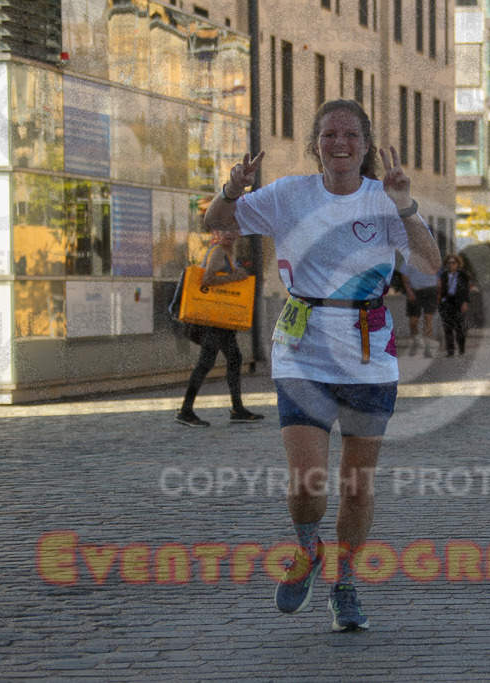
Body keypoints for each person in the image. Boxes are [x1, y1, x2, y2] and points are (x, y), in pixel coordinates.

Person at [203, 99, 440, 632]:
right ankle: (308, 549)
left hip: (368, 355)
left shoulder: (386, 198)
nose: (340, 143)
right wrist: (232, 188)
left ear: (366, 144)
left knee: (357, 486)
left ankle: (345, 583)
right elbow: (213, 222)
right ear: (315, 143)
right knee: (307, 481)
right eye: (330, 133)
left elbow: (428, 265)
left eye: (351, 134)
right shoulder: (289, 195)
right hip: (302, 350)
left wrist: (405, 207)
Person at [174, 229, 264, 428]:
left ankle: (237, 409)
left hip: (220, 321)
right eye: (224, 230)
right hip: (214, 321)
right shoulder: (217, 252)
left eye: (232, 230)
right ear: (216, 233)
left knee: (234, 358)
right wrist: (235, 278)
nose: (230, 234)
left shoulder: (227, 253)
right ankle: (186, 410)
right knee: (206, 363)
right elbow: (207, 280)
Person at [399, 260, 439, 358]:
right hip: (415, 291)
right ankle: (415, 341)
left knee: (428, 318)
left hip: (430, 291)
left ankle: (428, 347)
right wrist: (409, 292)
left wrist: (439, 294)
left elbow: (438, 277)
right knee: (413, 321)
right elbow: (404, 277)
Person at [437, 254, 470, 356]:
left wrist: (465, 302)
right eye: (448, 263)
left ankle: (461, 348)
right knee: (447, 327)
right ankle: (450, 350)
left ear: (457, 264)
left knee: (459, 326)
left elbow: (466, 290)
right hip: (447, 301)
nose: (451, 265)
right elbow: (440, 289)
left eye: (453, 263)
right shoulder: (444, 275)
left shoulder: (462, 275)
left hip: (458, 302)